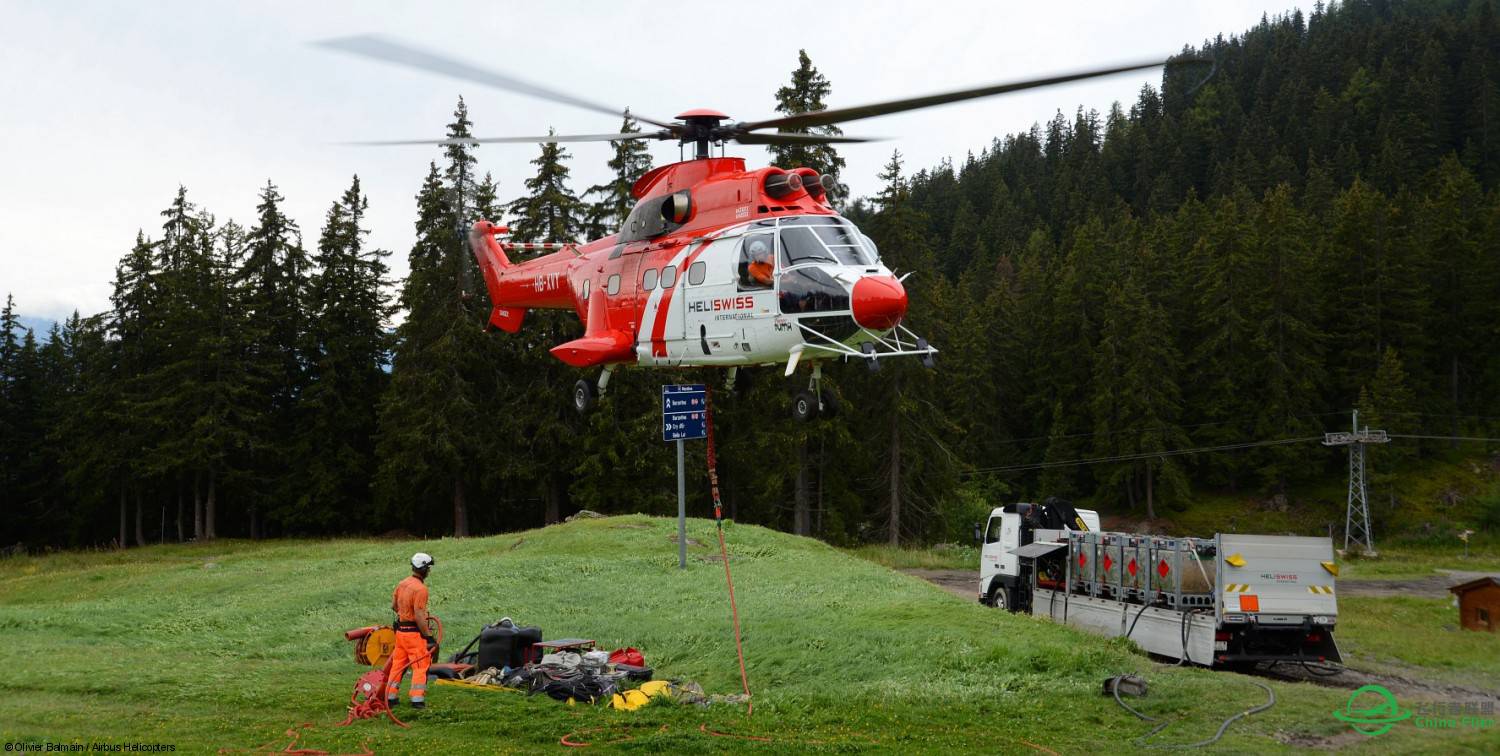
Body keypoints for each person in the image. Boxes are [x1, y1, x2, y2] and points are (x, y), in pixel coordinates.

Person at [387, 552, 435, 709]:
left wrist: (403, 614)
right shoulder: (421, 589)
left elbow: (394, 606)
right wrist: (428, 636)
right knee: (421, 666)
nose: (429, 571)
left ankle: (391, 697)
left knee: (398, 665)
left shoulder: (402, 583)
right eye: (428, 568)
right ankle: (417, 700)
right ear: (424, 569)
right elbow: (420, 616)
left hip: (401, 633)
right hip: (414, 634)